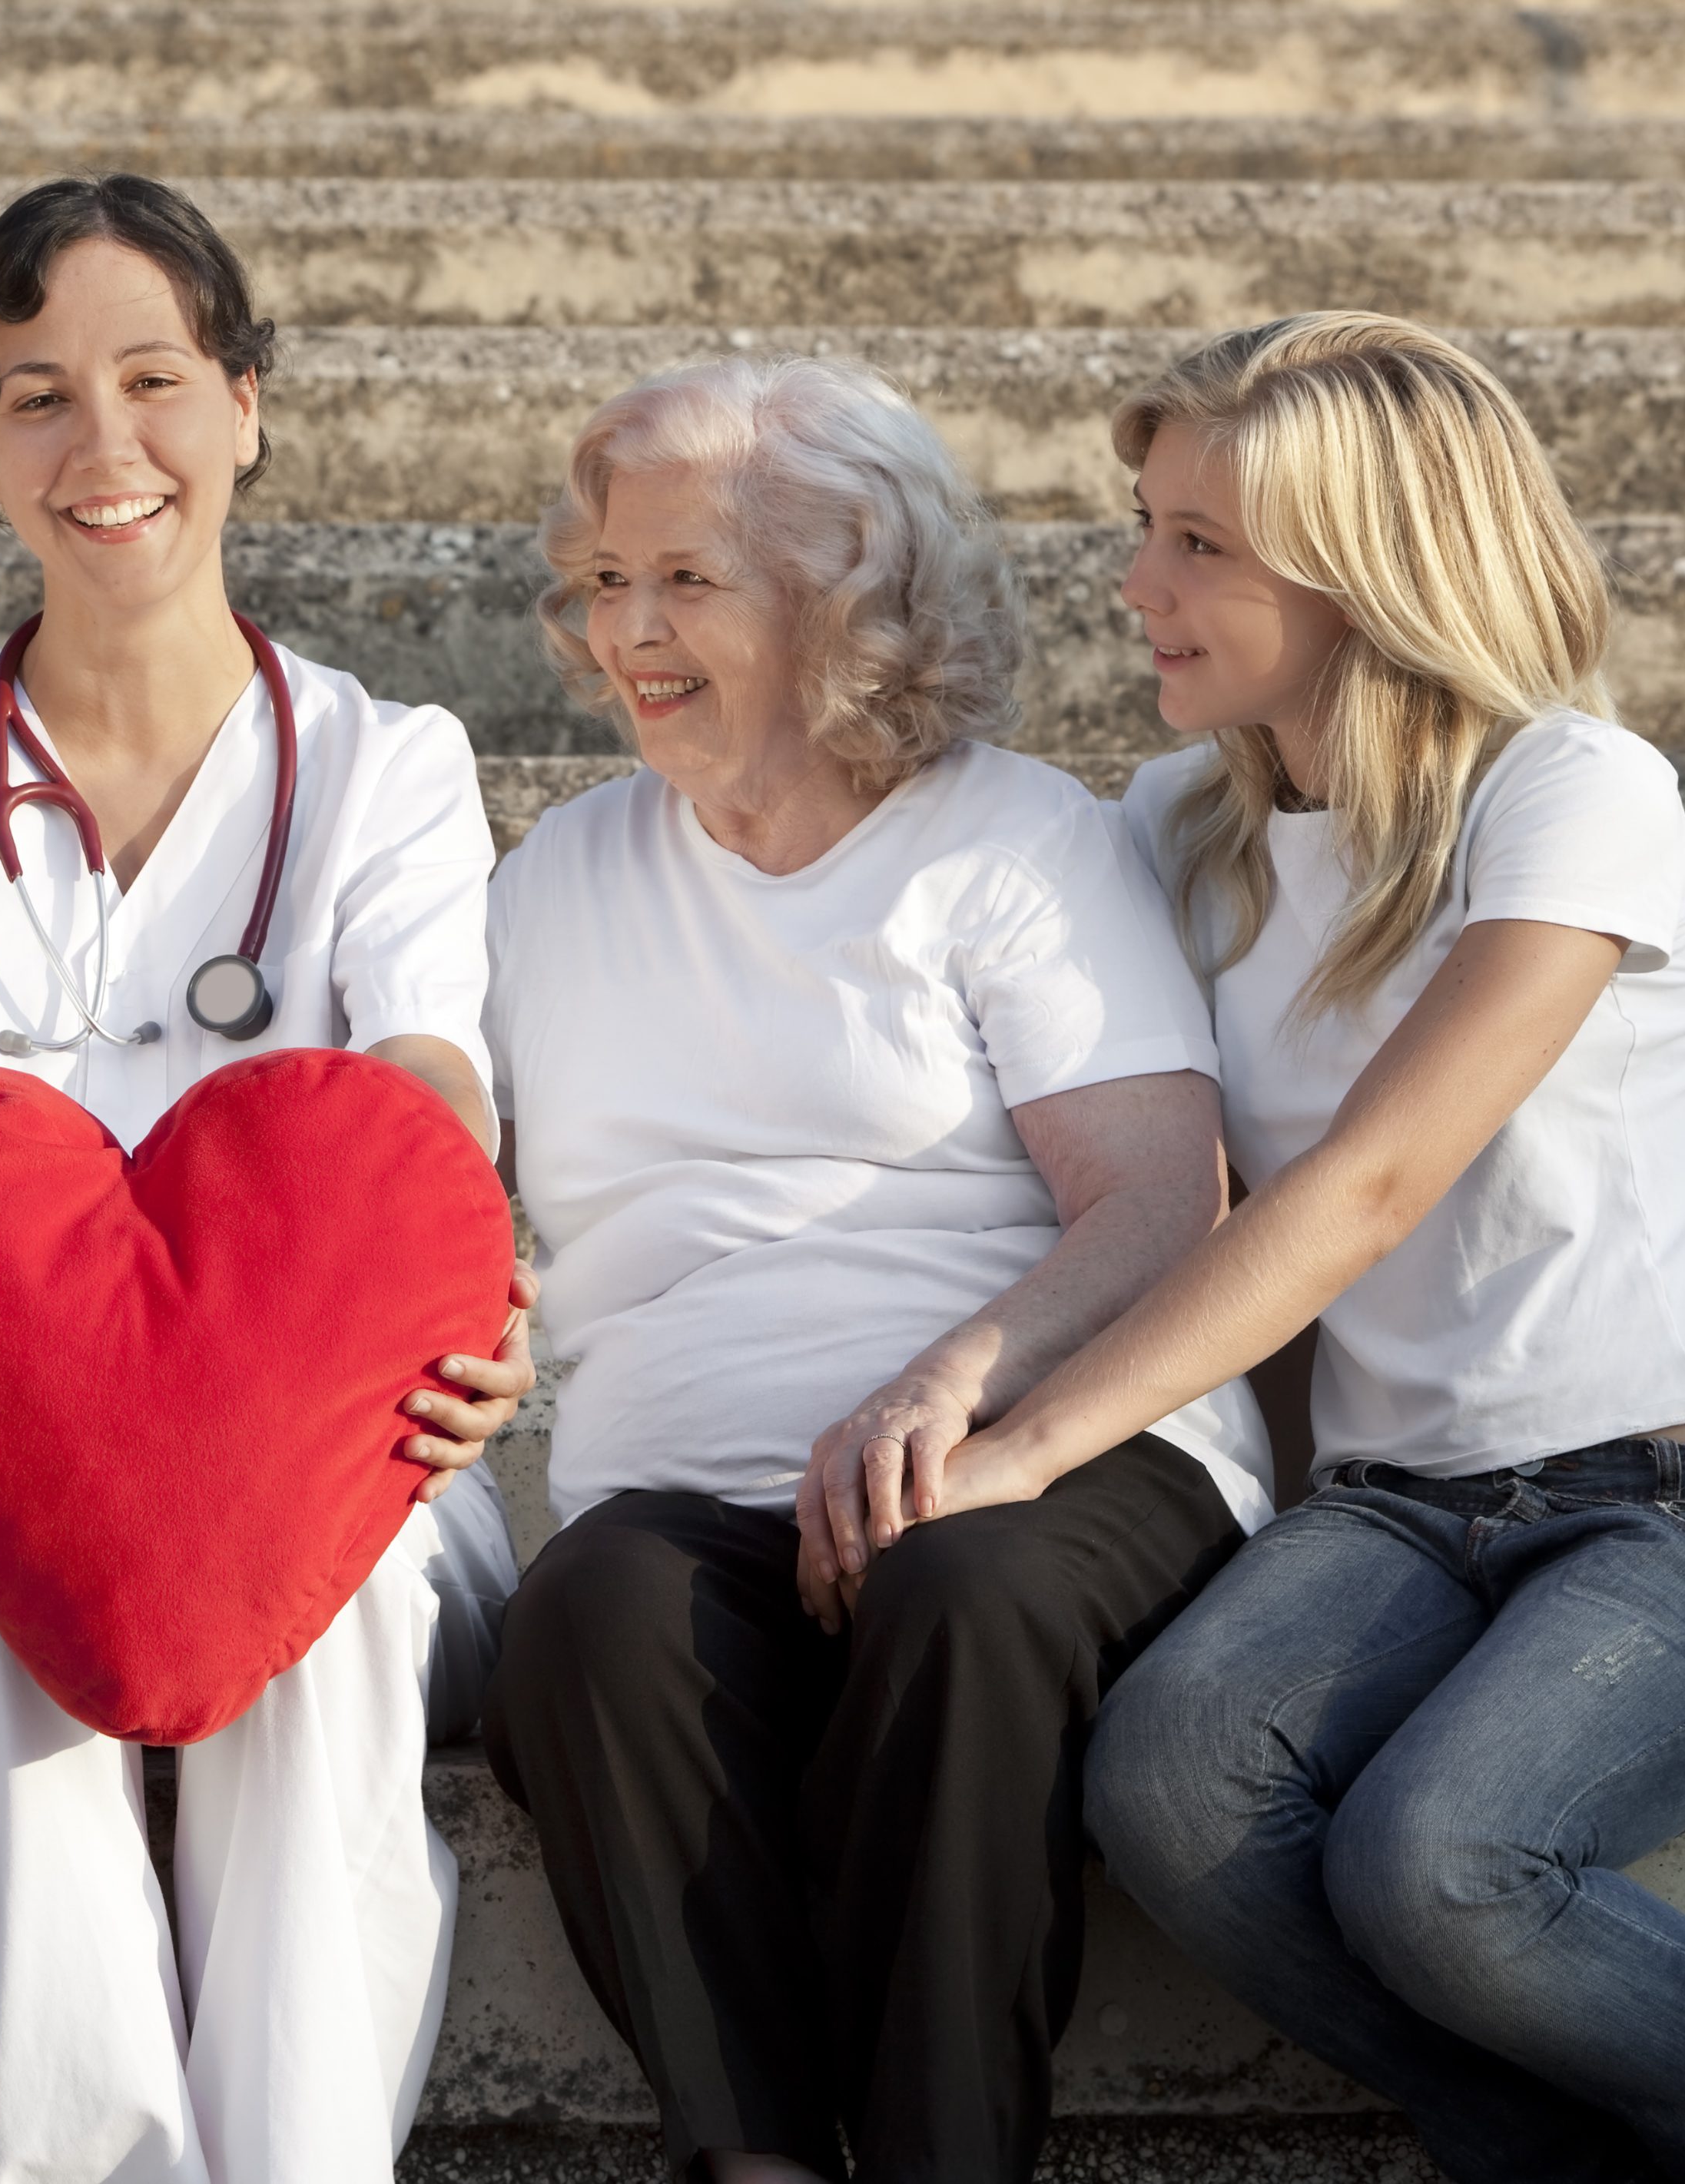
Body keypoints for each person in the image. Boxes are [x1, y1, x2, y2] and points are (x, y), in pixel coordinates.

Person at [0, 173, 532, 2184]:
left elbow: (428, 1082)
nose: (101, 450)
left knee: (332, 1605)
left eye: (152, 381)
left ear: (246, 406)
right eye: (34, 396)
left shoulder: (387, 763)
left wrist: (462, 1319)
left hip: (333, 1439)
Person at [476, 352, 1276, 2184]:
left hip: (1044, 1453)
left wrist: (948, 1388)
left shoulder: (1009, 841)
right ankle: (754, 2160)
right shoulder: (553, 877)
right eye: (608, 579)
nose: (629, 630)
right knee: (582, 1620)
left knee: (961, 1595)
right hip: (688, 1494)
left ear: (842, 592)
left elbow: (1161, 1203)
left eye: (689, 578)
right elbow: (449, 1199)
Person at [1003, 315, 1685, 2184]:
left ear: (1364, 565)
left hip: (1667, 1493)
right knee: (1165, 1783)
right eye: (1141, 525)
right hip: (1393, 1505)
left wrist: (1030, 1438)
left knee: (1440, 1870)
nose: (1135, 584)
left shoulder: (1570, 790)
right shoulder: (1172, 828)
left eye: (1198, 545)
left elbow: (1372, 1182)